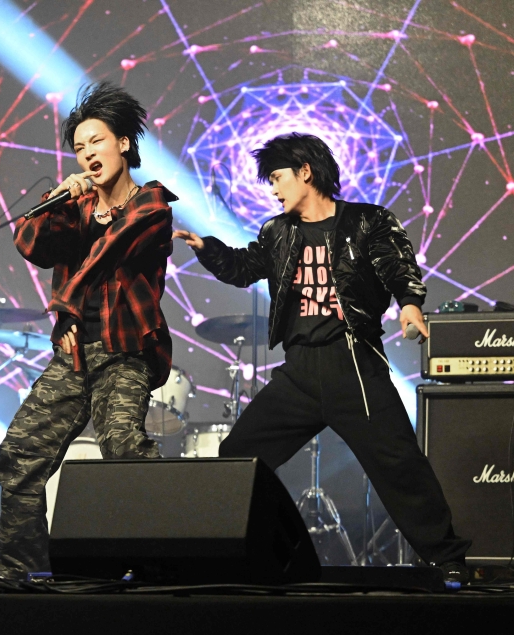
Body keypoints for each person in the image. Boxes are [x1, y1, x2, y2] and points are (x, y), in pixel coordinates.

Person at [174, 132, 471, 581]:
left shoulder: (367, 222)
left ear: (305, 172)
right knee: (239, 459)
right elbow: (245, 267)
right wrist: (207, 250)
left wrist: (410, 303)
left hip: (354, 367)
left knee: (401, 467)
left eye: (277, 178)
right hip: (299, 373)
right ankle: (244, 557)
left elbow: (398, 267)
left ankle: (449, 560)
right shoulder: (277, 233)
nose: (273, 189)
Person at [0, 82, 175, 579]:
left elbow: (108, 252)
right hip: (74, 358)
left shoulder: (152, 206)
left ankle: (165, 565)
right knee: (19, 453)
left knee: (123, 447)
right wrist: (56, 199)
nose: (87, 153)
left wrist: (66, 304)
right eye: (78, 146)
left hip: (125, 353)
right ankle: (23, 573)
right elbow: (29, 244)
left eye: (96, 141)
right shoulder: (74, 207)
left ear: (123, 143)